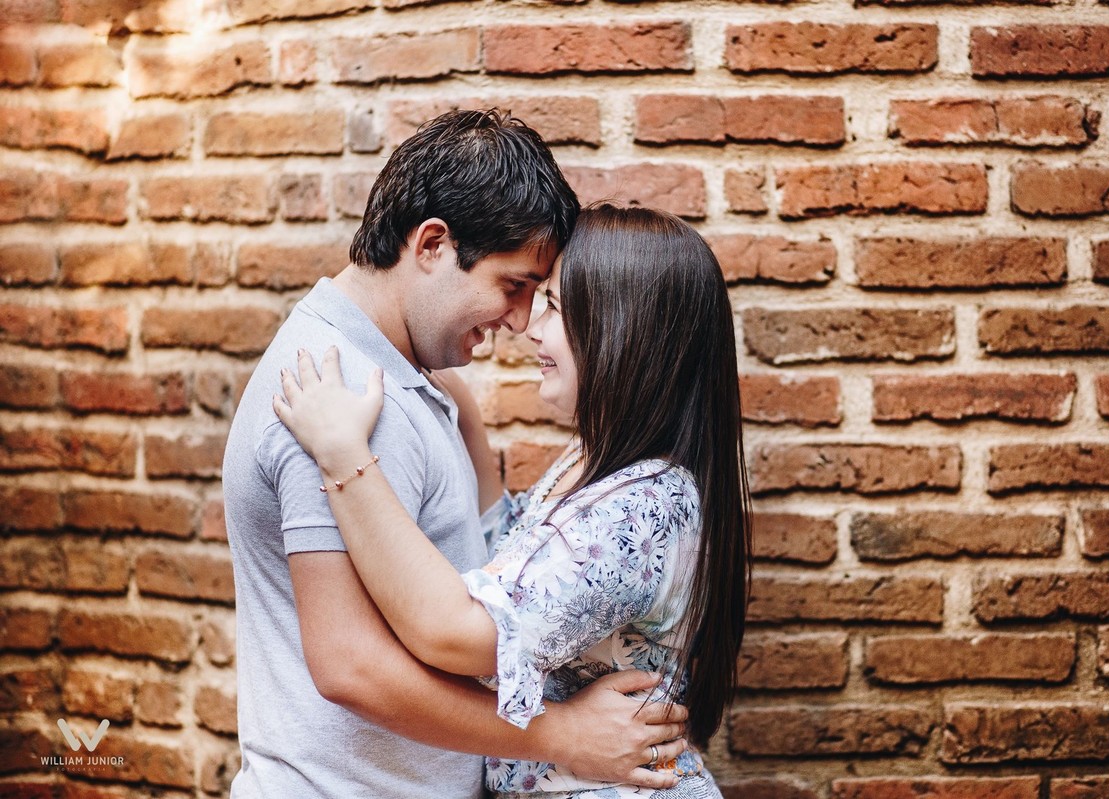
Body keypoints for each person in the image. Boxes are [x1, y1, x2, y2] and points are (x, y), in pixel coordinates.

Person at [222, 112, 689, 799]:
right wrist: (561, 733)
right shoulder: (344, 394)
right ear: (433, 245)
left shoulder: (404, 376)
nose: (521, 320)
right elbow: (351, 665)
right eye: (513, 285)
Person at [272, 203, 753, 798]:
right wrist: (436, 383)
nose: (531, 327)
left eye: (554, 306)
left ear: (624, 331)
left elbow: (458, 632)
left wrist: (343, 456)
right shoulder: (594, 465)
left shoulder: (645, 507)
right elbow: (506, 552)